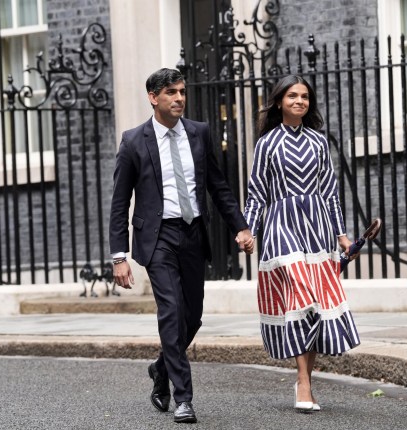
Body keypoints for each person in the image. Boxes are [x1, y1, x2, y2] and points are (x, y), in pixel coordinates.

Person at [109, 67, 253, 424]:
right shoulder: (133, 141)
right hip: (156, 238)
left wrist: (241, 226)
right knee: (171, 312)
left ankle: (160, 368)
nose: (179, 98)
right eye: (171, 92)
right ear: (153, 97)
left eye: (181, 91)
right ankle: (183, 398)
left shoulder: (199, 133)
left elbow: (218, 186)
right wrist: (119, 256)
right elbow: (119, 202)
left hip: (192, 234)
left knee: (192, 317)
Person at [243, 74, 360, 412]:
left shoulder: (319, 142)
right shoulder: (267, 144)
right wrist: (249, 230)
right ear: (279, 101)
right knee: (300, 295)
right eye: (292, 96)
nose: (299, 101)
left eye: (304, 96)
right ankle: (303, 381)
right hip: (281, 229)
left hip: (318, 229)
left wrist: (341, 236)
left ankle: (306, 378)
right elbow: (257, 193)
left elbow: (330, 192)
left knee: (316, 306)